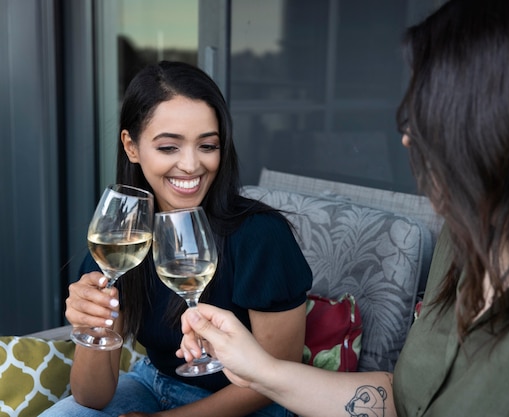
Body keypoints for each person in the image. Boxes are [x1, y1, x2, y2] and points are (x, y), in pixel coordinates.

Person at [177, 0, 509, 416]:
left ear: (504, 125)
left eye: (428, 112)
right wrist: (263, 370)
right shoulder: (466, 238)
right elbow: (403, 402)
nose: (408, 137)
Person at [43, 61, 312, 417]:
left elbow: (276, 381)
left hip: (252, 402)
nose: (190, 165)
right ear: (132, 146)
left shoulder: (261, 237)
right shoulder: (118, 241)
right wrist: (92, 326)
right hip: (154, 383)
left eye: (207, 145)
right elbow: (92, 397)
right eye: (169, 147)